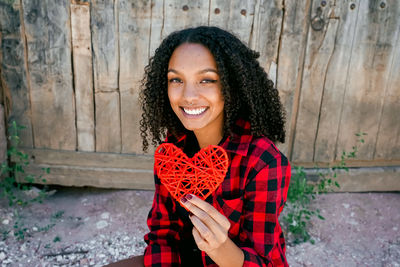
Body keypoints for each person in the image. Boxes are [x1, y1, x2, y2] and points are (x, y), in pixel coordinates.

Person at [140, 26, 290, 267]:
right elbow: (162, 233)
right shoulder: (173, 149)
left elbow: (263, 262)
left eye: (207, 80)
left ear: (232, 85)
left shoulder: (263, 161)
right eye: (176, 79)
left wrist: (220, 248)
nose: (188, 95)